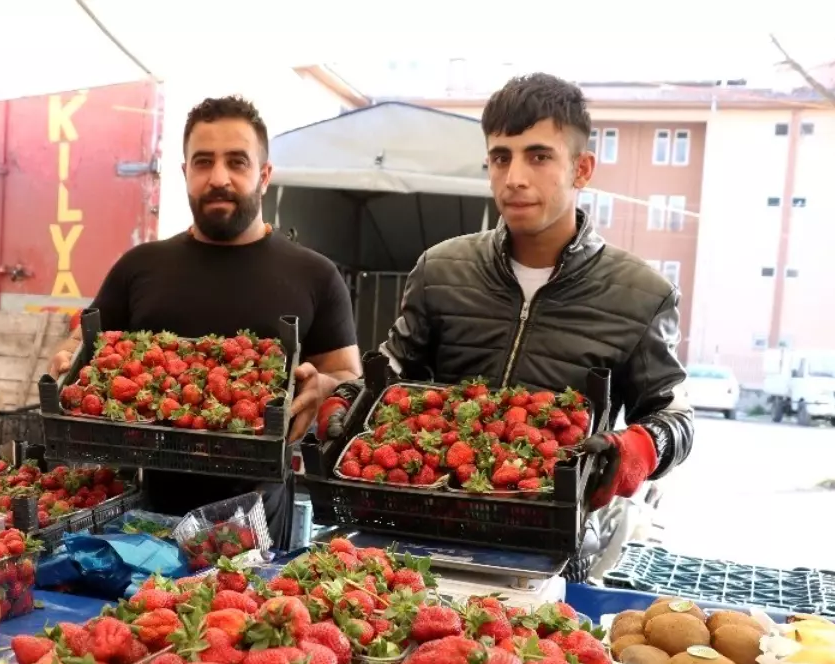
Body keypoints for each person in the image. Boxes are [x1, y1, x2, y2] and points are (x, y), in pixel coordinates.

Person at [323, 73, 694, 578]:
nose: (514, 176)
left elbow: (675, 416)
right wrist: (343, 400)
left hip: (550, 555)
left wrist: (640, 447)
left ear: (581, 169)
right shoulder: (441, 269)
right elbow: (391, 370)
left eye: (538, 156)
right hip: (421, 537)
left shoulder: (641, 295)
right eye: (501, 157)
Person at [49, 95, 361, 545]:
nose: (219, 178)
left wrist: (326, 388)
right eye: (203, 162)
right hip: (142, 510)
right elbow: (81, 349)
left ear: (265, 175)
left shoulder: (314, 275)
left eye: (237, 161)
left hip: (262, 513)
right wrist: (66, 365)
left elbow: (346, 377)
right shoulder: (140, 267)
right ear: (185, 174)